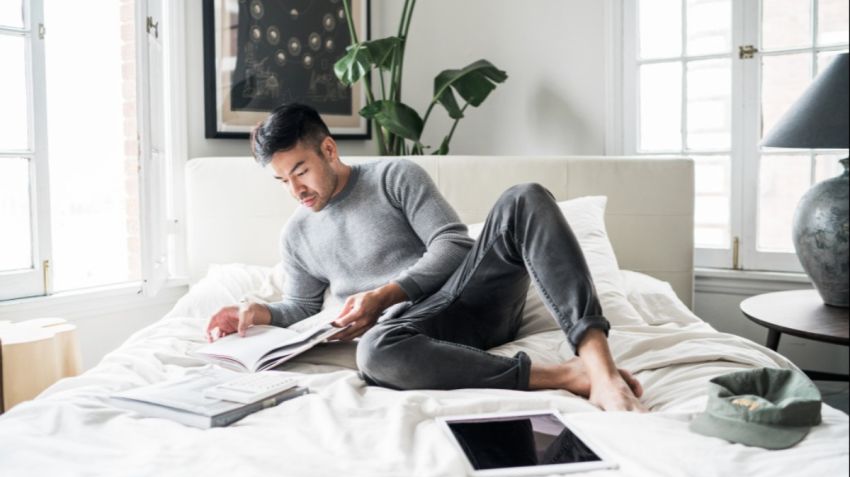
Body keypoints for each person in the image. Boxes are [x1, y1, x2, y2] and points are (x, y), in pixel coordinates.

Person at [206, 103, 645, 411]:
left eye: (300, 171)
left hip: (469, 300)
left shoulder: (394, 176)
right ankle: (566, 376)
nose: (295, 190)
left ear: (328, 149)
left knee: (524, 197)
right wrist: (259, 311)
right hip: (413, 336)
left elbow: (454, 244)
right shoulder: (297, 234)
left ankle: (599, 367)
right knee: (374, 353)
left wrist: (384, 294)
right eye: (282, 181)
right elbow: (301, 308)